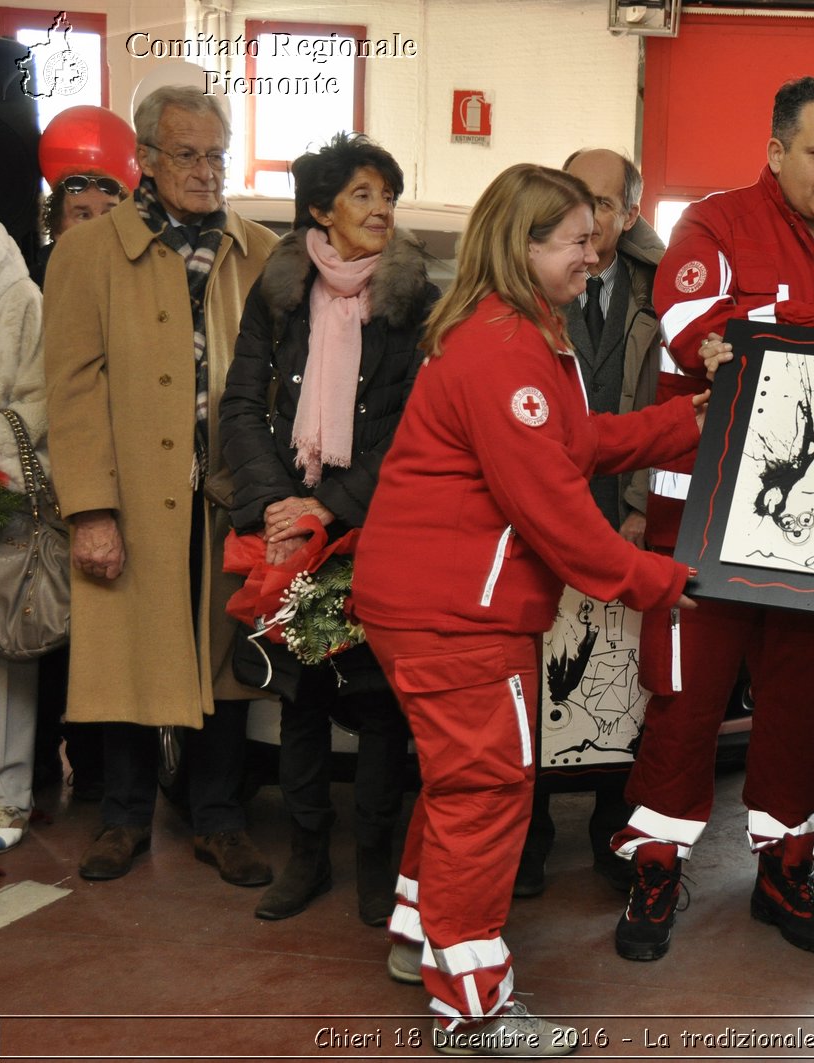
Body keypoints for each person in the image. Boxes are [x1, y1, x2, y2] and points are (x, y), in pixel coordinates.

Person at [351, 163, 706, 1055]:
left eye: (599, 236)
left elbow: (578, 442)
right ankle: (472, 1008)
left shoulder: (515, 332)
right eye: (578, 241)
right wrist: (665, 581)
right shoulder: (505, 350)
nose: (598, 254)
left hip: (438, 604)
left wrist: (686, 418)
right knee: (487, 791)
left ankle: (420, 937)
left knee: (457, 783)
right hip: (458, 616)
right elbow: (561, 518)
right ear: (525, 246)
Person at [611, 75, 814, 962]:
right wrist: (802, 318)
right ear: (775, 149)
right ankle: (658, 863)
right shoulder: (711, 223)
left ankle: (786, 867)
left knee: (800, 707)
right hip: (704, 528)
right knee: (683, 707)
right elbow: (687, 326)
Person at [44, 85, 278, 886]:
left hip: (226, 497)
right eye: (187, 154)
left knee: (223, 662)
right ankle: (121, 818)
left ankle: (218, 819)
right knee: (126, 656)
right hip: (133, 497)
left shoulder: (260, 251)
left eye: (217, 153)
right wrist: (91, 510)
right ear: (144, 158)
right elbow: (71, 390)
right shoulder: (86, 252)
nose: (207, 171)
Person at [219, 132, 435, 925]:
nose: (380, 209)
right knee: (302, 700)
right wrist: (280, 502)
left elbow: (417, 426)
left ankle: (376, 868)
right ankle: (306, 857)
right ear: (320, 209)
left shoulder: (416, 301)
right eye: (362, 195)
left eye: (387, 195)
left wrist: (332, 506)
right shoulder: (277, 294)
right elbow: (242, 403)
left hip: (371, 529)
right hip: (287, 534)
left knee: (379, 708)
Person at [513, 148, 664, 899]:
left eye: (607, 204)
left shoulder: (657, 294)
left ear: (630, 215)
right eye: (581, 200)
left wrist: (638, 506)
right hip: (541, 517)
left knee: (617, 687)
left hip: (616, 515)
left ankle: (613, 829)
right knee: (543, 681)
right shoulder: (527, 299)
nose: (592, 218)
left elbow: (655, 403)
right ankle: (529, 838)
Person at [30, 168, 128, 803]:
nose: (92, 226)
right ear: (55, 226)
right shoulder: (29, 293)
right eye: (80, 214)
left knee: (95, 644)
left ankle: (95, 779)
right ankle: (35, 776)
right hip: (35, 487)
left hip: (106, 486)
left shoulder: (129, 286)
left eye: (105, 214)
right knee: (39, 638)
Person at [0, 221, 46, 851]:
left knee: (8, 652)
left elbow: (39, 402)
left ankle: (8, 795)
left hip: (2, 487)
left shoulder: (20, 298)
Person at [32, 170, 128, 289]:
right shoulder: (31, 290)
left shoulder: (146, 281)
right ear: (57, 229)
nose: (98, 225)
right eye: (84, 215)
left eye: (108, 214)